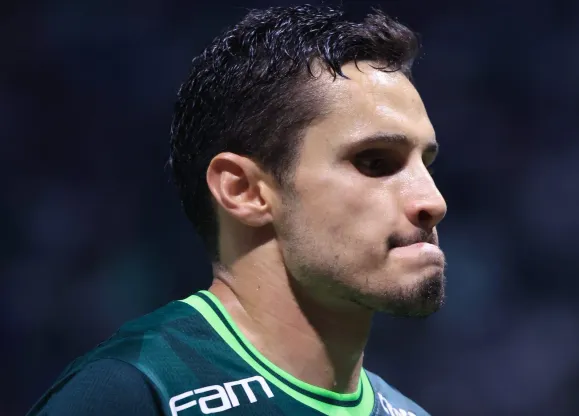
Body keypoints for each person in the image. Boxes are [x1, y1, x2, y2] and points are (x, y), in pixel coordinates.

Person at [29, 5, 446, 415]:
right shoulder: (132, 392)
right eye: (374, 162)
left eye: (425, 164)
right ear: (243, 190)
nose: (433, 201)